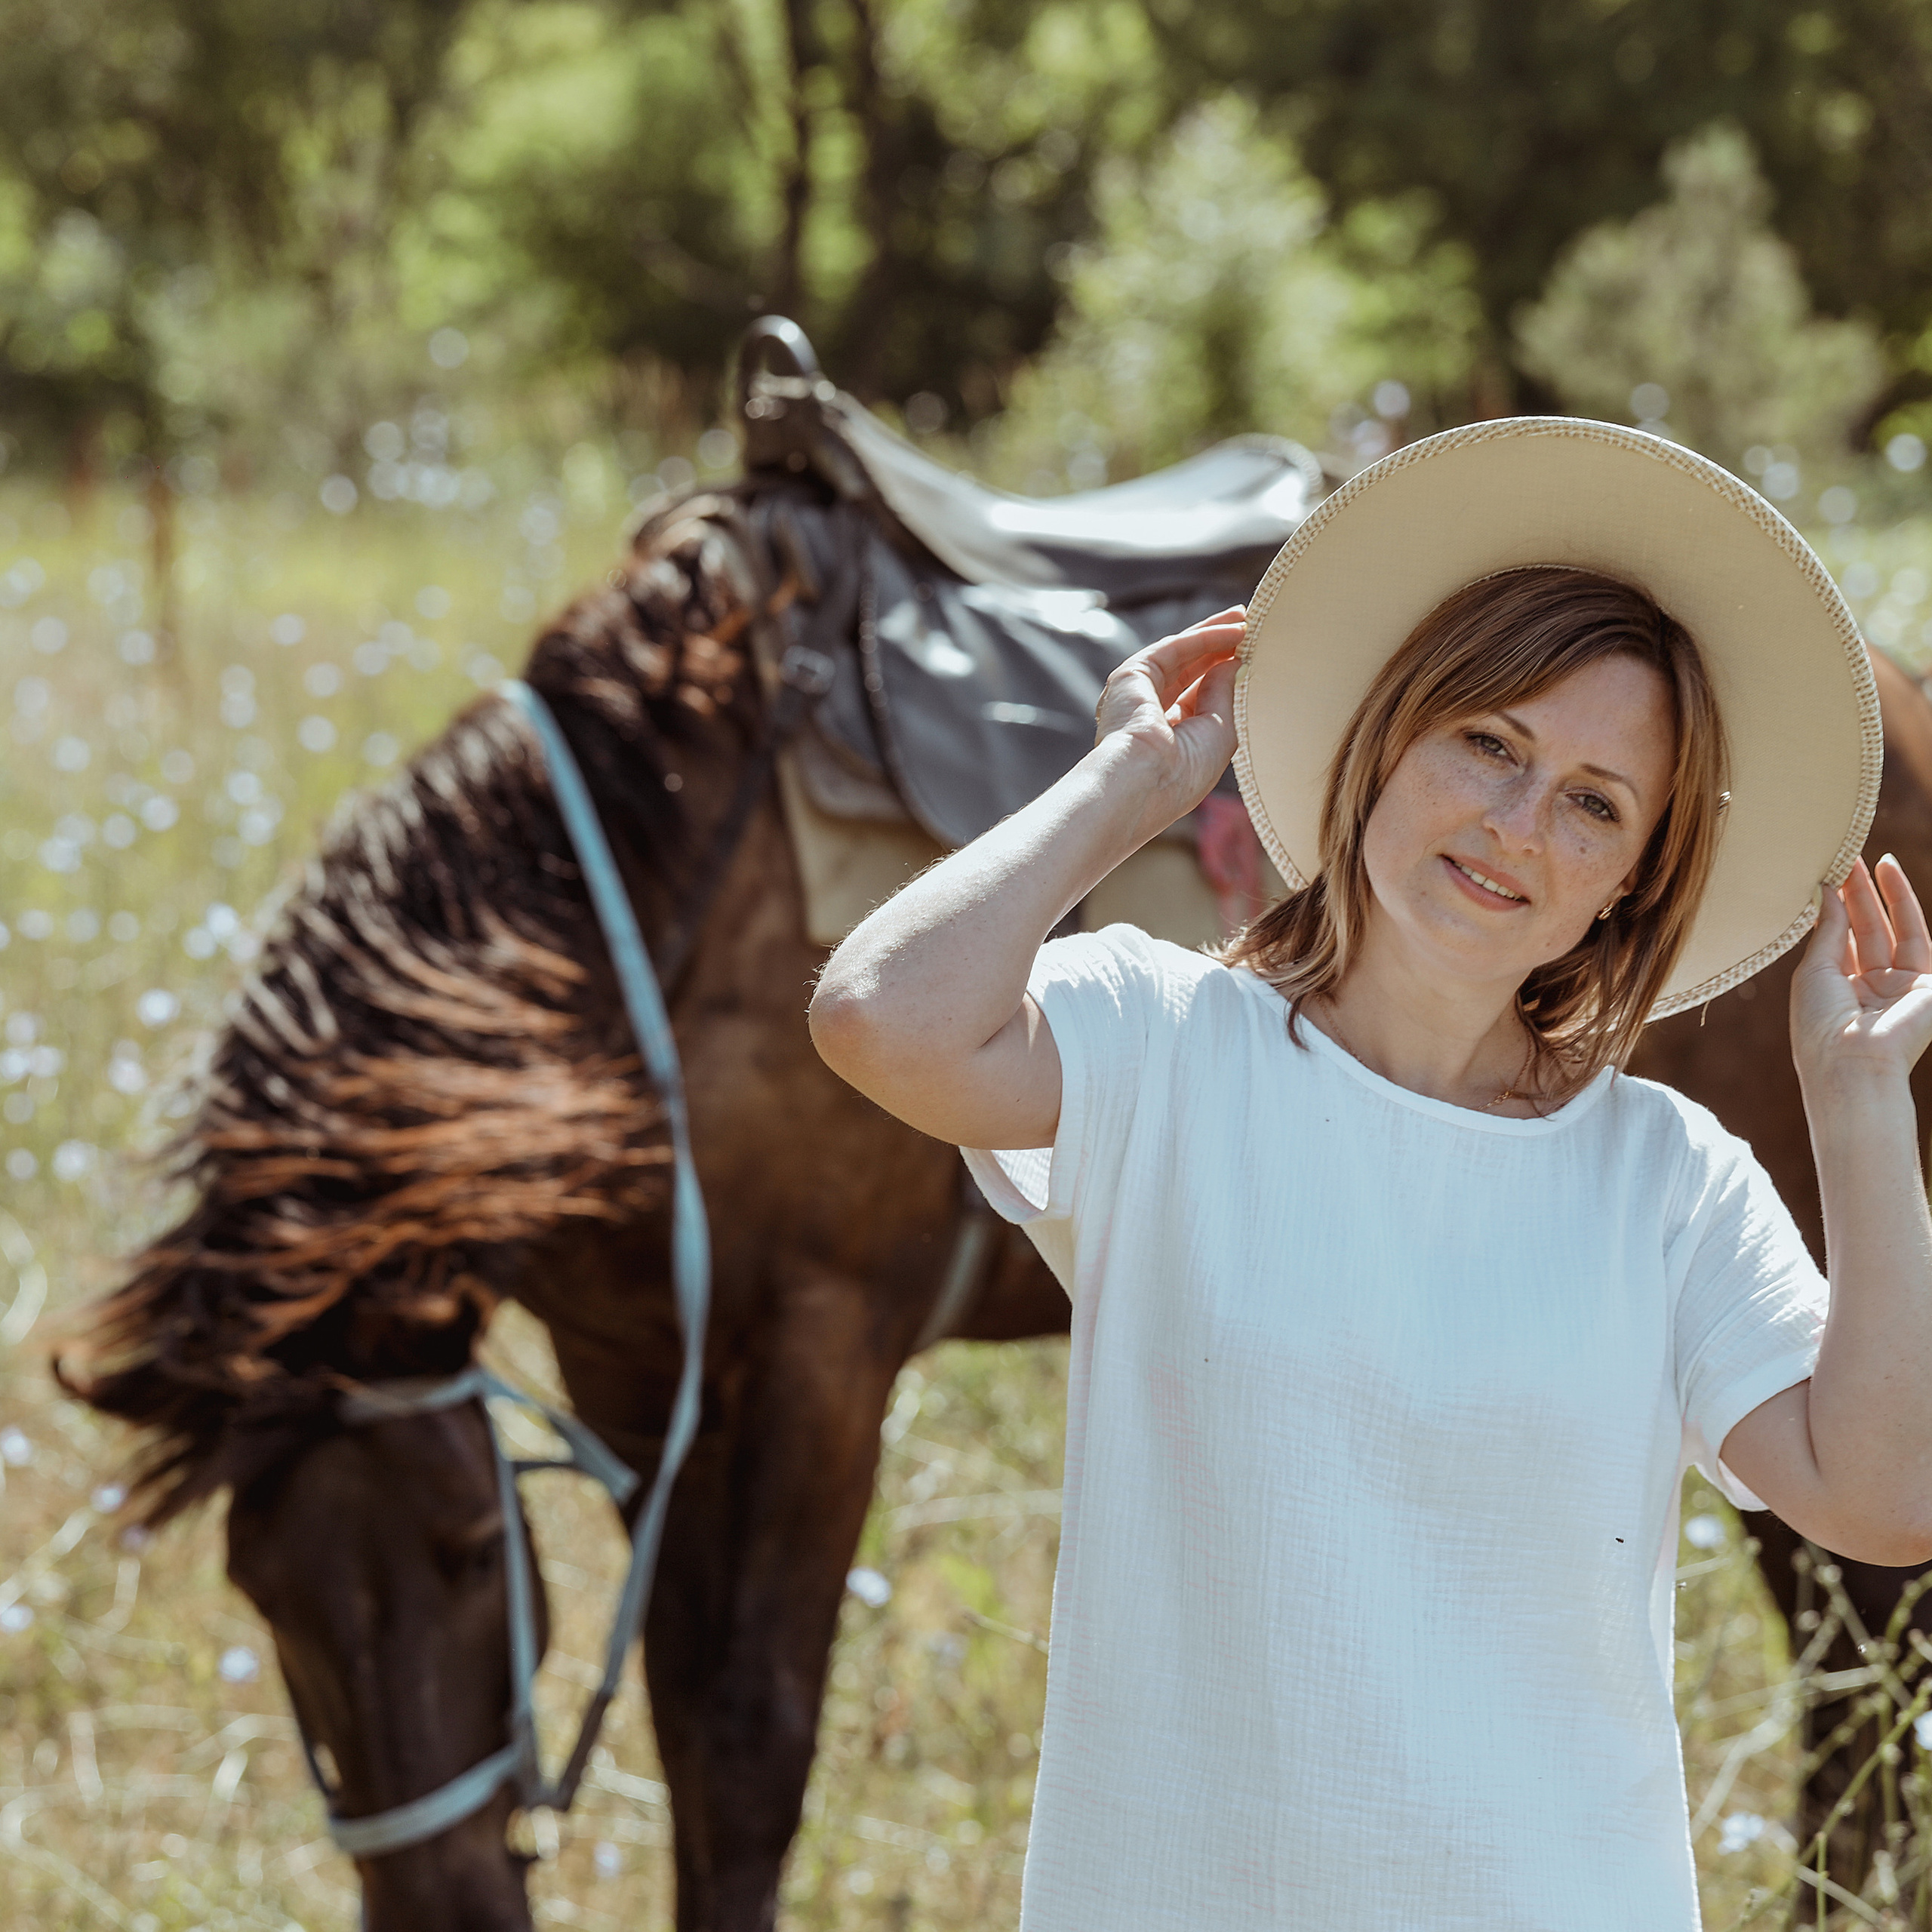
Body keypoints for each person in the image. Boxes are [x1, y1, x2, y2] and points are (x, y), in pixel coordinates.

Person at [808, 419, 1932, 1929]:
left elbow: (1881, 1495)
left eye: (1596, 802)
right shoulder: (1160, 1047)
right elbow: (879, 1015)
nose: (1516, 825)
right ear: (1386, 734)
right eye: (1488, 740)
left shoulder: (1664, 1181)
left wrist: (1858, 1104)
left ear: (1629, 883)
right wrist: (1130, 781)